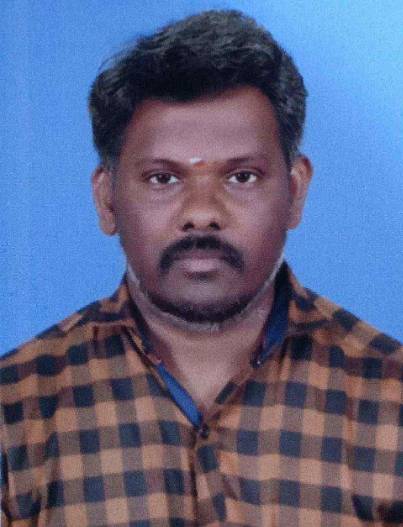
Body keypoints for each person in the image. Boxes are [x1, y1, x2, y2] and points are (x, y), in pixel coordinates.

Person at [1, 9, 401, 526]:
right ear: (107, 198)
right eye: (162, 179)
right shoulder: (16, 412)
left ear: (296, 191)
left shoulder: (390, 398)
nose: (202, 213)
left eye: (242, 176)